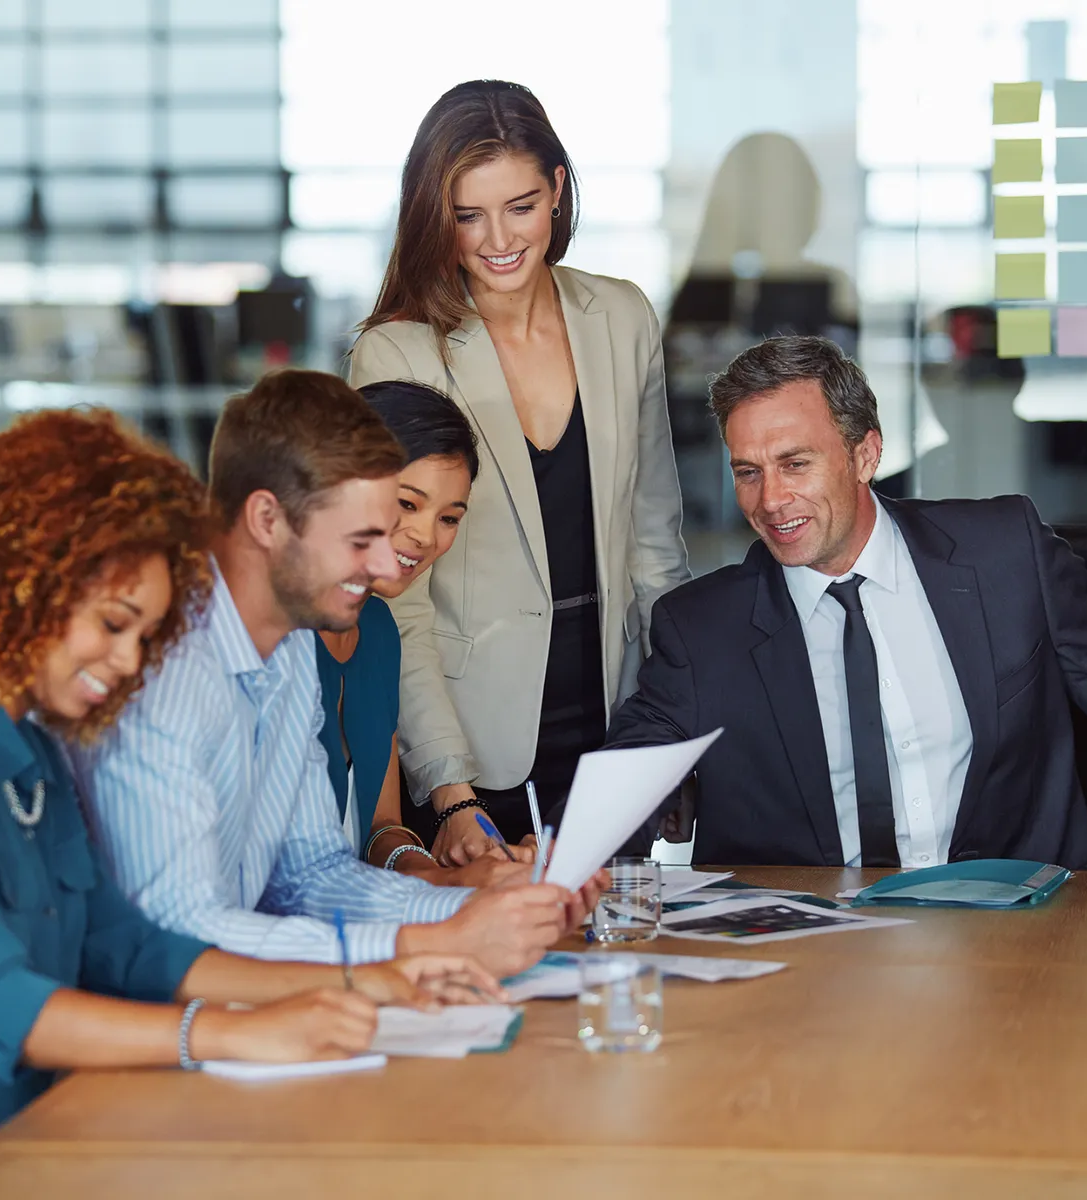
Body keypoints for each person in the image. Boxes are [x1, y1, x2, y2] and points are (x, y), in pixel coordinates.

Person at [0, 410, 499, 1200]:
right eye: (113, 625)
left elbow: (127, 946)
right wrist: (230, 1031)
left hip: (18, 1124)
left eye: (144, 636)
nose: (127, 662)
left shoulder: (32, 744)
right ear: (22, 580)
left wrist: (370, 979)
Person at [605, 335, 1087, 880]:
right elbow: (629, 778)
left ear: (864, 454)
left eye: (795, 464)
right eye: (747, 472)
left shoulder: (1005, 557)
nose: (769, 500)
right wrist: (585, 870)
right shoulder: (701, 628)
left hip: (1020, 938)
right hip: (808, 963)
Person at [80, 370, 591, 978]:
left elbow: (311, 873)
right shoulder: (161, 664)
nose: (390, 560)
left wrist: (469, 907)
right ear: (267, 520)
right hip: (153, 1029)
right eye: (362, 537)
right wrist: (435, 942)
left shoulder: (291, 647)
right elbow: (183, 934)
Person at [349, 79, 691, 865]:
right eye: (468, 215)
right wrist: (449, 788)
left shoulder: (623, 317)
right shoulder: (397, 351)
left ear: (559, 192)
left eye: (521, 206)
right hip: (468, 746)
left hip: (613, 726)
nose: (496, 238)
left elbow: (655, 549)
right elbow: (397, 601)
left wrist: (667, 726)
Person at [314, 379, 530, 887]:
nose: (427, 536)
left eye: (449, 517)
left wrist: (432, 869)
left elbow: (379, 829)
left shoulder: (379, 631)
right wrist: (445, 888)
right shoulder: (272, 634)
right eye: (408, 504)